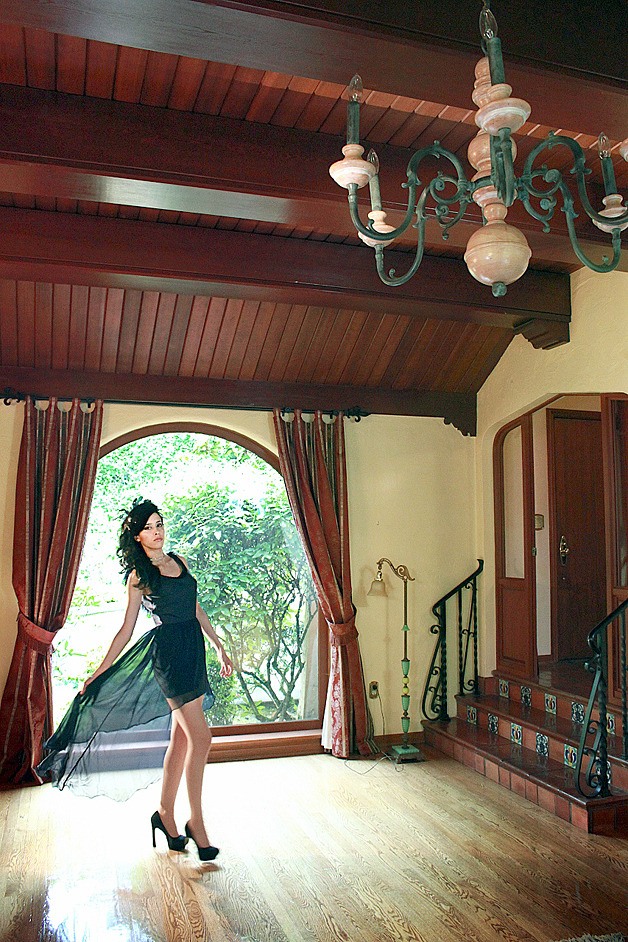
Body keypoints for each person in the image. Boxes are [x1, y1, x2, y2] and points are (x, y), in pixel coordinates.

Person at [38, 498, 233, 862]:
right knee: (202, 738)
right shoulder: (139, 577)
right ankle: (198, 823)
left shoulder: (180, 562)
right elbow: (126, 629)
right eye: (149, 528)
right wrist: (98, 672)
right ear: (137, 536)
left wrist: (218, 645)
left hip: (193, 650)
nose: (157, 532)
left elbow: (194, 606)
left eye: (160, 524)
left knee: (181, 740)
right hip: (169, 657)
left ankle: (164, 815)